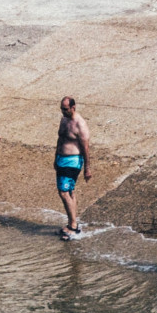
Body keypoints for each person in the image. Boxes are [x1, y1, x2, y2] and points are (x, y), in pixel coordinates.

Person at [54, 96, 91, 237]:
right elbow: (60, 139)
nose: (63, 111)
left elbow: (86, 148)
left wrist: (87, 168)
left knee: (63, 192)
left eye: (65, 109)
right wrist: (55, 158)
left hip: (73, 161)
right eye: (62, 109)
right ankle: (73, 221)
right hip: (61, 159)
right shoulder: (64, 120)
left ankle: (73, 225)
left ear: (73, 108)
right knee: (70, 192)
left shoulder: (80, 124)